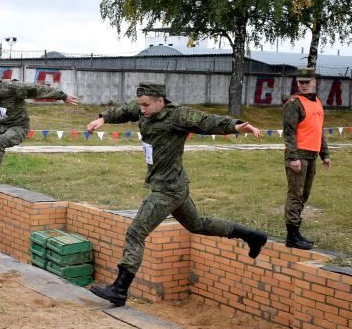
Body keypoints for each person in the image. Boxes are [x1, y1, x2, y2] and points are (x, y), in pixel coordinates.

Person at [86, 80, 268, 307]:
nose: (142, 109)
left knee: (135, 232)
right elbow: (125, 111)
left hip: (168, 189)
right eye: (140, 104)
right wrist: (102, 119)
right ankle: (253, 236)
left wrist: (236, 126)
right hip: (176, 186)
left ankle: (120, 289)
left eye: (146, 105)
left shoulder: (178, 116)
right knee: (198, 225)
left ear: (160, 102)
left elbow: (206, 121)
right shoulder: (144, 109)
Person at [282, 68, 330, 250]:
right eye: (300, 82)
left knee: (304, 195)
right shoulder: (294, 103)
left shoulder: (317, 102)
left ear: (314, 82)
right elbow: (289, 132)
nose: (303, 85)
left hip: (311, 156)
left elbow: (319, 130)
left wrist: (325, 154)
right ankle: (292, 235)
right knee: (295, 194)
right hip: (298, 156)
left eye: (306, 82)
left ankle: (296, 231)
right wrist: (293, 158)